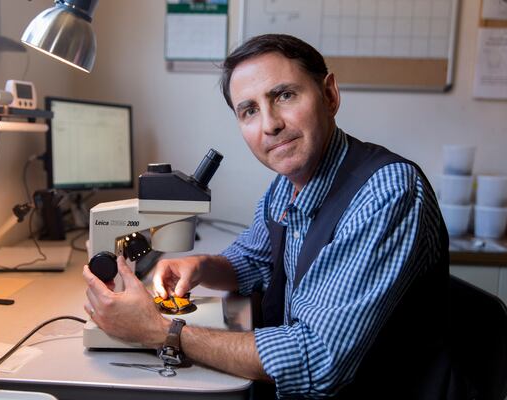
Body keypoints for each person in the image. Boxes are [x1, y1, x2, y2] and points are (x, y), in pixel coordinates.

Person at [83, 34, 457, 399]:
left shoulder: (387, 191)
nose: (270, 124)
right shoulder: (287, 185)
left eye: (284, 95)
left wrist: (159, 330)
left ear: (329, 95)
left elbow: (317, 359)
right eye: (249, 110)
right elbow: (253, 259)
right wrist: (200, 265)